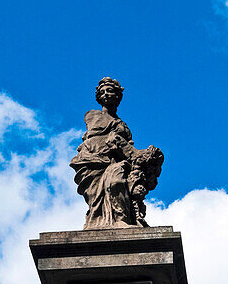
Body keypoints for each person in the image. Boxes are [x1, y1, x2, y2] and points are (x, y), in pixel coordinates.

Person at [70, 77, 163, 228]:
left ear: (118, 96)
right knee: (99, 194)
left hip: (115, 162)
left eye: (110, 91)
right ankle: (103, 221)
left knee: (118, 182)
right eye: (103, 92)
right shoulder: (93, 115)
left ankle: (122, 219)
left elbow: (128, 148)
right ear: (99, 97)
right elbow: (101, 137)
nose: (106, 94)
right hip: (94, 160)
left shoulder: (123, 126)